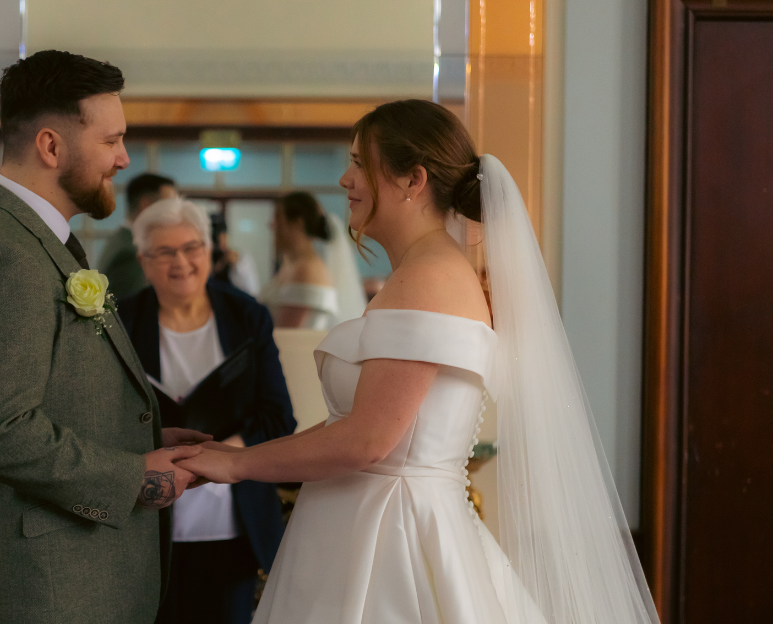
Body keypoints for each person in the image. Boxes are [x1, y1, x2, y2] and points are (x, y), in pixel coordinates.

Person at [179, 100, 660, 624]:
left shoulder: (427, 278)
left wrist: (235, 465)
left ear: (413, 180)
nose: (345, 178)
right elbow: (359, 422)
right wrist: (233, 452)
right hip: (371, 520)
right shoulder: (424, 272)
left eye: (360, 162)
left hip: (389, 537)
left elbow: (368, 440)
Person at [0, 50, 211, 624]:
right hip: (38, 592)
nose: (124, 159)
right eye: (111, 141)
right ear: (51, 147)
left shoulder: (26, 237)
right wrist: (134, 476)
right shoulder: (3, 253)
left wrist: (134, 436)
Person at [117, 198, 297, 624]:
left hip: (231, 525)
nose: (181, 261)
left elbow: (278, 418)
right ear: (144, 261)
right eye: (165, 252)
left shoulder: (246, 315)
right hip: (144, 525)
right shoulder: (121, 321)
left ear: (210, 251)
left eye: (192, 247)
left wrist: (217, 457)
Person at [259, 192, 339, 329]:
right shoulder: (290, 265)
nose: (271, 225)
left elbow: (289, 331)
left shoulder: (307, 269)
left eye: (278, 218)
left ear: (297, 223)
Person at [98, 173, 178, 299]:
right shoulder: (131, 251)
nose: (175, 214)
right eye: (169, 206)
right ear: (146, 204)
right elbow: (132, 312)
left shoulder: (123, 239)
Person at [209, 211, 261, 297]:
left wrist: (236, 267)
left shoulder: (241, 259)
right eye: (215, 238)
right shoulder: (203, 260)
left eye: (222, 235)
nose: (219, 242)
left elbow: (252, 292)